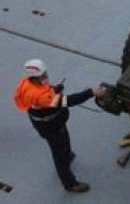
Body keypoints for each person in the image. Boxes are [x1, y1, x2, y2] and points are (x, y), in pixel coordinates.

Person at [14, 59, 106, 194]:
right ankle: (70, 184)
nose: (46, 77)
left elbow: (44, 92)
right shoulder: (42, 97)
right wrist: (91, 92)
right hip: (51, 128)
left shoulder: (27, 83)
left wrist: (54, 89)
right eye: (42, 76)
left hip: (54, 124)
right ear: (33, 77)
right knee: (59, 156)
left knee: (65, 141)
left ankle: (68, 155)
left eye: (45, 74)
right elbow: (67, 101)